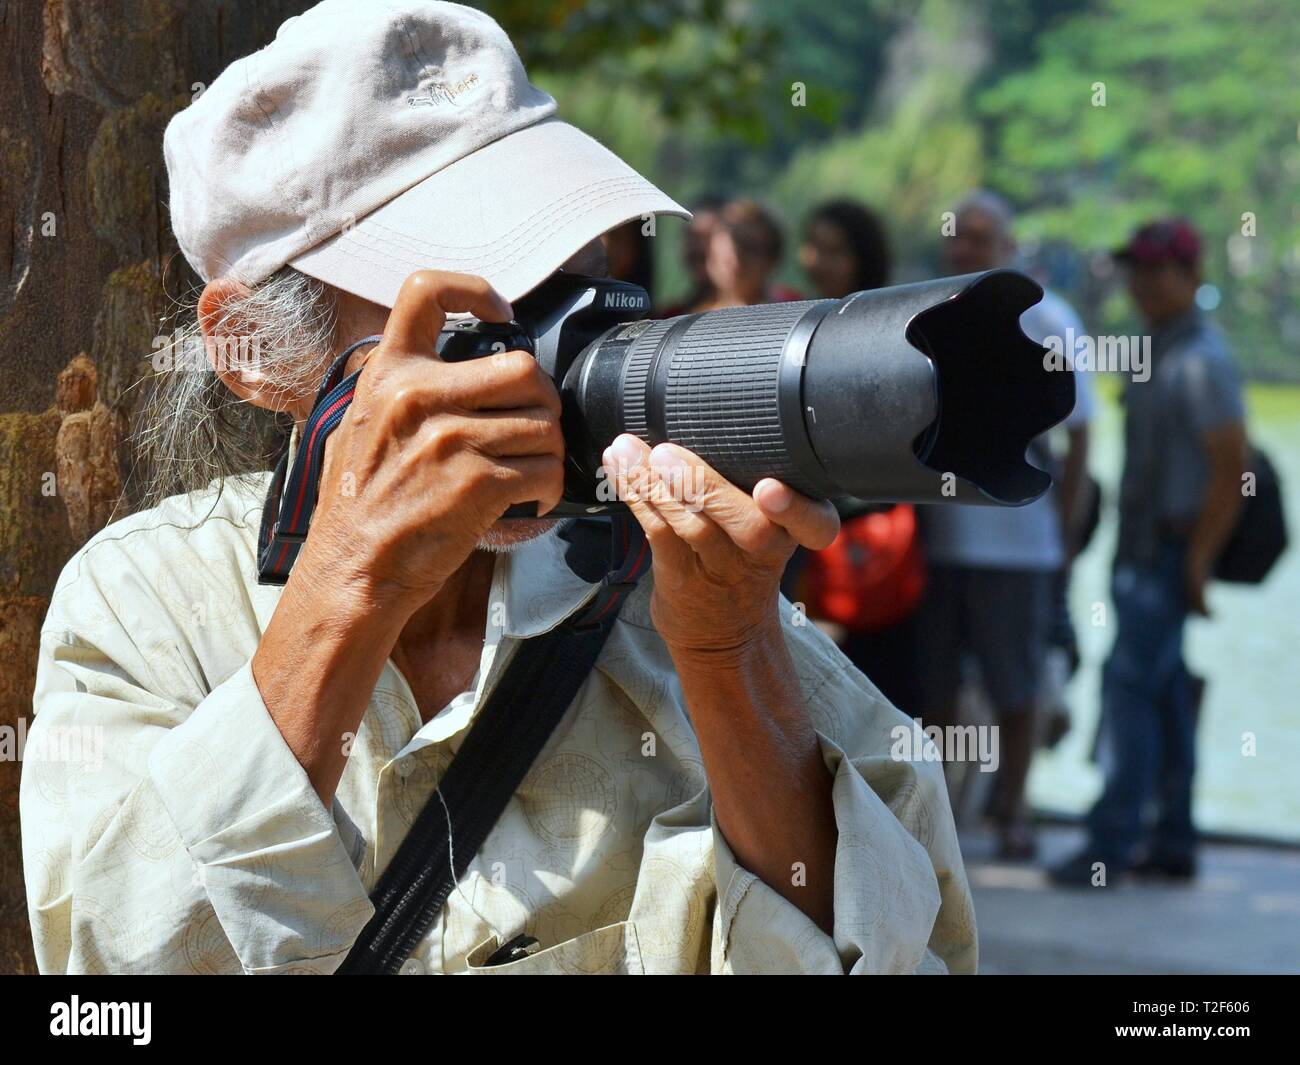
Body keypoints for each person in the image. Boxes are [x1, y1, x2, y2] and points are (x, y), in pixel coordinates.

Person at [19, 1, 975, 975]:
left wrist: (732, 651)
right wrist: (350, 580)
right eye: (482, 297)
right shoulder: (148, 608)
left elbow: (905, 959)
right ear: (256, 350)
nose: (548, 347)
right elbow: (118, 974)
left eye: (575, 276)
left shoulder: (684, 599)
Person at [1051, 219, 1247, 886]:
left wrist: (1197, 562)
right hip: (1145, 553)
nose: (1143, 280)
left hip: (1164, 556)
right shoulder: (1160, 349)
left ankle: (1109, 843)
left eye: (1158, 268)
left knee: (1129, 692)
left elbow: (1231, 465)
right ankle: (1174, 840)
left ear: (1191, 278)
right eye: (1136, 267)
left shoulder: (1198, 359)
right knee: (1162, 696)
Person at [914, 190, 1096, 861]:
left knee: (1015, 685)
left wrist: (1068, 538)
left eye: (981, 237)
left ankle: (1012, 808)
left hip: (1022, 546)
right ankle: (936, 810)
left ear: (1008, 248)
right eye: (957, 235)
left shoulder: (1049, 318)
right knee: (934, 688)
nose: (965, 247)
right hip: (939, 542)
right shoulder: (927, 311)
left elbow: (1080, 437)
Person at [789, 200, 926, 717]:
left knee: (882, 704)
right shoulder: (795, 319)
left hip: (871, 540)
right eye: (813, 245)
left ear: (862, 257)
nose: (818, 260)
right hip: (807, 540)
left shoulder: (889, 323)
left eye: (835, 250)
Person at [693, 198, 802, 311]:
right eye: (728, 249)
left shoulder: (795, 311)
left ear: (772, 258)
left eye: (750, 248)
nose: (737, 259)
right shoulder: (687, 318)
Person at [657, 193, 725, 316]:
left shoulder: (765, 309)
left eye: (706, 238)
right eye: (691, 238)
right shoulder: (669, 317)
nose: (696, 248)